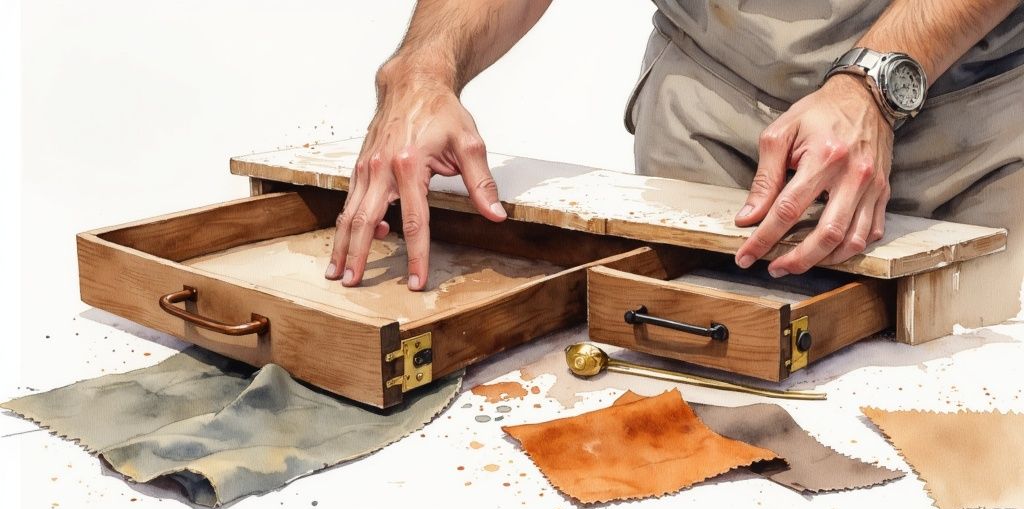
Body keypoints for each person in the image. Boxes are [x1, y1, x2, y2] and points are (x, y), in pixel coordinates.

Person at [324, 0, 1024, 326]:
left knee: (961, 425)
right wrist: (424, 66)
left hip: (961, 124)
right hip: (711, 109)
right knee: (687, 410)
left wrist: (875, 83)